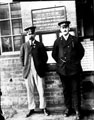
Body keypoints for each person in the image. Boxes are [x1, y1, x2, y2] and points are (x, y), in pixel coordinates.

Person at [52, 20, 85, 120]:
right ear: (60, 30)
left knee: (75, 90)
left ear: (69, 28)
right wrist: (61, 63)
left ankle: (77, 110)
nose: (65, 29)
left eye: (66, 27)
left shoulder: (75, 40)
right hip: (63, 70)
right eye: (63, 27)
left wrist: (74, 61)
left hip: (74, 70)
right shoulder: (57, 41)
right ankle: (68, 108)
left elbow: (81, 52)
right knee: (66, 90)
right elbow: (54, 54)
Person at [20, 26, 49, 117]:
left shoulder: (40, 45)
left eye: (32, 33)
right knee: (29, 90)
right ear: (27, 35)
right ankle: (31, 108)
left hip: (38, 71)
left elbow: (45, 58)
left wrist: (40, 66)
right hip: (28, 71)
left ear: (34, 34)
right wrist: (25, 67)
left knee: (41, 90)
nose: (30, 35)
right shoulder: (24, 46)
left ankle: (43, 108)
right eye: (28, 33)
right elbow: (21, 58)